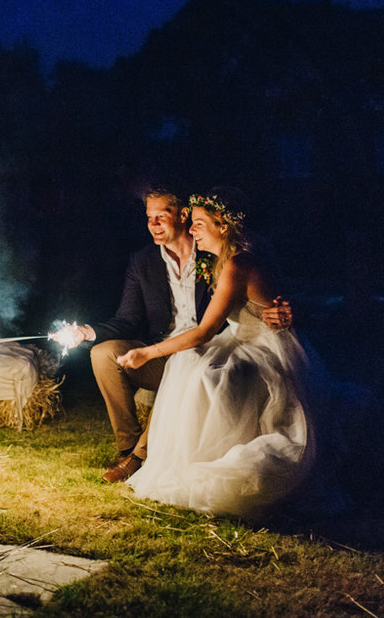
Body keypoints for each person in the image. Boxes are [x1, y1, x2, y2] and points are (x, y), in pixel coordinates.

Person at [59, 187, 292, 483]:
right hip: (165, 346)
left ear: (182, 215)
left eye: (161, 216)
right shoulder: (142, 261)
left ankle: (139, 459)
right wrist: (87, 331)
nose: (153, 224)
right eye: (148, 217)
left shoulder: (213, 254)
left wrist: (286, 307)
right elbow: (127, 319)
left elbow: (263, 291)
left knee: (187, 363)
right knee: (102, 353)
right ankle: (128, 449)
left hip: (209, 348)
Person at [116, 188, 314, 518]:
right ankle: (165, 455)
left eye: (198, 224)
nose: (192, 231)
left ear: (222, 226)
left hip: (266, 348)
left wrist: (147, 353)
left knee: (207, 374)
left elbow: (205, 331)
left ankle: (208, 456)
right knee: (187, 363)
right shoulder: (221, 259)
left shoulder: (237, 264)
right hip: (239, 338)